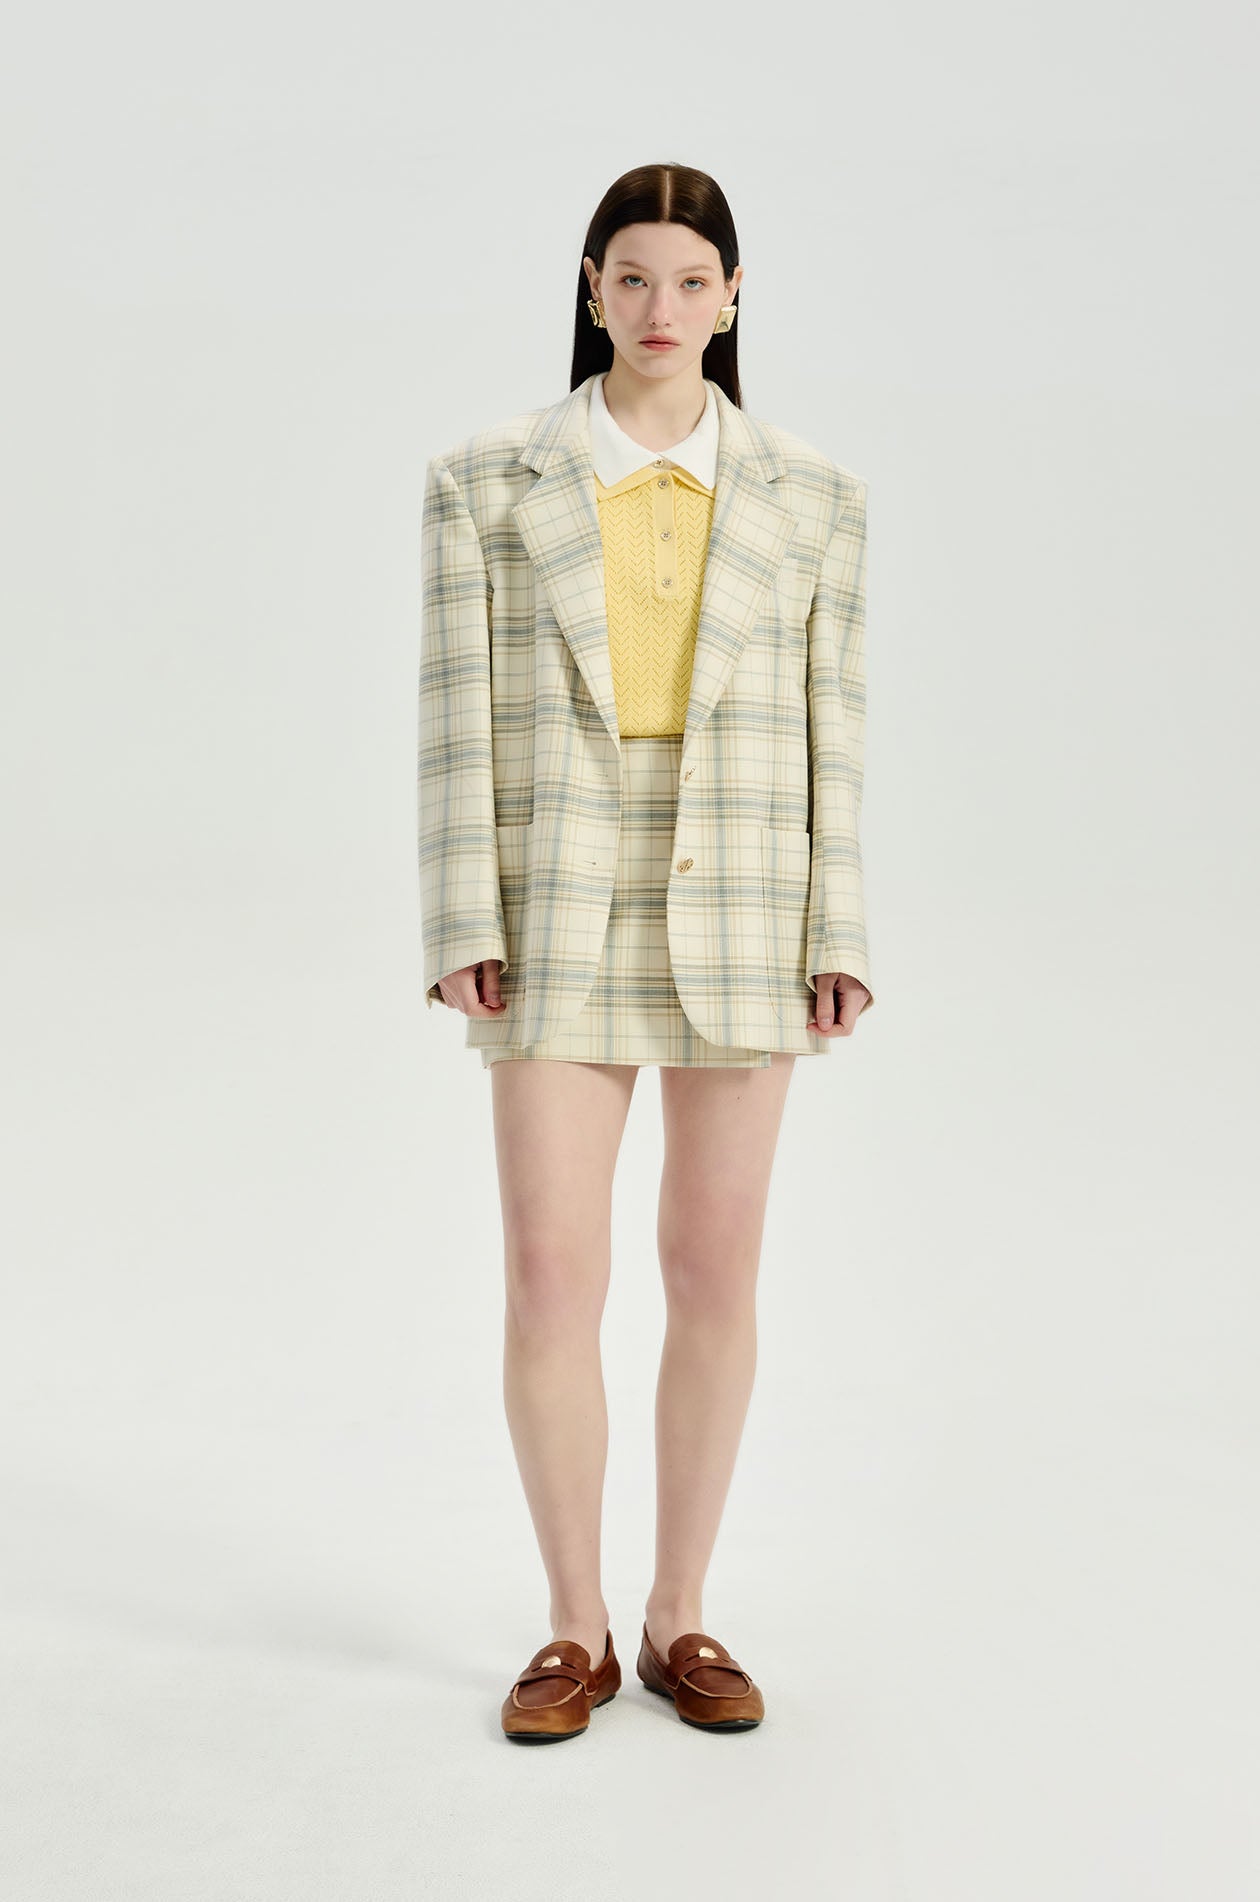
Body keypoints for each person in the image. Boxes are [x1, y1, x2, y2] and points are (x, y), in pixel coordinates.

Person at [418, 162, 875, 1742]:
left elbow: (835, 724)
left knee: (712, 1266)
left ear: (733, 297)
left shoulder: (814, 494)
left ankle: (683, 1613)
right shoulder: (485, 480)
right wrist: (462, 917)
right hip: (556, 897)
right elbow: (453, 710)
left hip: (745, 892)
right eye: (633, 279)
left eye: (691, 281)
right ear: (591, 289)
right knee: (553, 1269)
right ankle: (575, 1626)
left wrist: (840, 927)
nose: (662, 309)